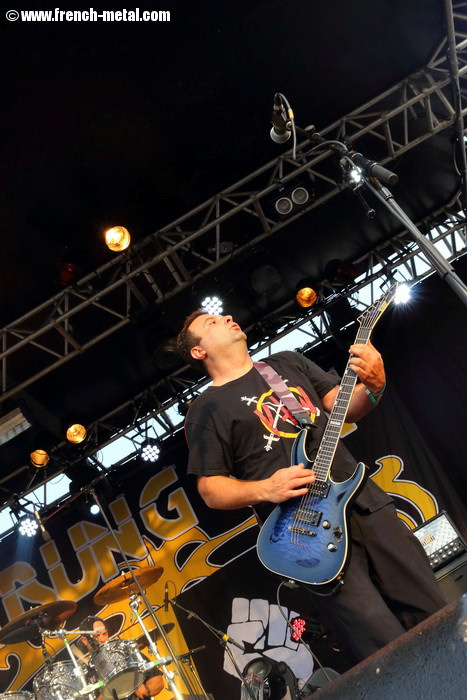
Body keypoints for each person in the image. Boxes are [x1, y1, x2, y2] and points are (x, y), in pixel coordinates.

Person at [176, 309, 447, 662]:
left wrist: (375, 387)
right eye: (212, 322)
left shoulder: (285, 363)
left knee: (432, 607)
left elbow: (344, 406)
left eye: (223, 315)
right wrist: (265, 489)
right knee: (383, 641)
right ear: (199, 351)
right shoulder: (205, 409)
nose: (226, 317)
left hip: (363, 503)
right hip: (305, 534)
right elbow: (210, 489)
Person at [79, 616, 164, 698]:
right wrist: (124, 686)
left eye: (104, 634)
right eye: (96, 636)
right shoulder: (86, 673)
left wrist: (141, 690)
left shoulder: (125, 652)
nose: (102, 639)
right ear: (84, 640)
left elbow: (158, 682)